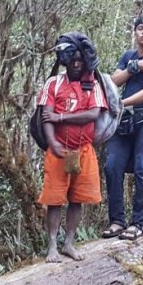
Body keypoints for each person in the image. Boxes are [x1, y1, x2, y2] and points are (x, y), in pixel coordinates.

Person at [37, 32, 107, 262]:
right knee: (55, 199)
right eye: (72, 58)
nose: (77, 62)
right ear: (65, 60)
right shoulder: (54, 83)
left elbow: (94, 113)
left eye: (80, 58)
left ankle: (69, 242)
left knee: (77, 198)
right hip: (58, 151)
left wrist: (61, 118)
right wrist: (53, 141)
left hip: (84, 150)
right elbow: (45, 115)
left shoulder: (93, 84)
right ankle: (52, 247)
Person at [102, 15, 143, 240]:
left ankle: (138, 223)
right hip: (124, 120)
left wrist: (122, 103)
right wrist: (134, 67)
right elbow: (113, 81)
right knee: (112, 166)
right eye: (140, 28)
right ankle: (117, 221)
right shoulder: (128, 57)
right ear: (135, 33)